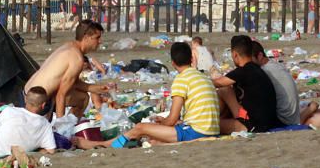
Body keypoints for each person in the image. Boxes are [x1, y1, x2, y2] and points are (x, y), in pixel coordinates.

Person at [77, 42, 219, 148]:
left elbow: (171, 120)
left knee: (141, 128)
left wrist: (161, 122)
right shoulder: (203, 77)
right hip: (211, 129)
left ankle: (103, 144)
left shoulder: (181, 79)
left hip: (197, 132)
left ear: (173, 63)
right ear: (192, 60)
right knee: (153, 141)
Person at [24, 19, 109, 118]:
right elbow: (61, 95)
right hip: (37, 103)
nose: (100, 41)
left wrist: (99, 88)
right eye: (97, 38)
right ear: (86, 38)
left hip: (27, 95)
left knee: (82, 96)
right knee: (83, 98)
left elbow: (75, 84)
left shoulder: (69, 47)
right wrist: (62, 125)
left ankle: (67, 125)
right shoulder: (77, 59)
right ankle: (67, 128)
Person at [212, 35, 279, 134]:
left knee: (224, 91)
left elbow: (218, 83)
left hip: (253, 125)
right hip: (268, 122)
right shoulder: (257, 70)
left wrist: (198, 80)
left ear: (235, 55)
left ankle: (210, 117)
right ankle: (218, 117)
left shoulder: (243, 71)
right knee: (226, 91)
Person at [250, 41, 300, 127]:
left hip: (283, 120)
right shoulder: (273, 65)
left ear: (260, 56)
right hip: (293, 117)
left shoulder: (264, 71)